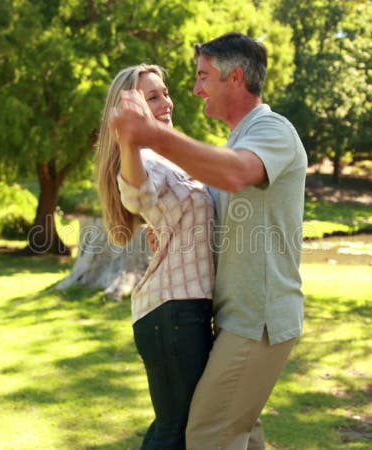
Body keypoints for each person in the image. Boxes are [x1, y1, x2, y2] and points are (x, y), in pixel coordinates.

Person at [110, 32, 307, 449]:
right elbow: (209, 210)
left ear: (235, 78)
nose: (195, 89)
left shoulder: (273, 130)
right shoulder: (237, 141)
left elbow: (236, 174)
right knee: (241, 434)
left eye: (203, 77)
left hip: (260, 319)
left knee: (208, 434)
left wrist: (150, 134)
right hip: (235, 318)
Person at [96, 64, 216, 449]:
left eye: (164, 92)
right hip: (173, 313)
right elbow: (138, 194)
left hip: (181, 312)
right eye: (152, 97)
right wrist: (130, 142)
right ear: (131, 110)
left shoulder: (168, 156)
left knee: (176, 428)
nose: (166, 102)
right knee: (177, 432)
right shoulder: (145, 156)